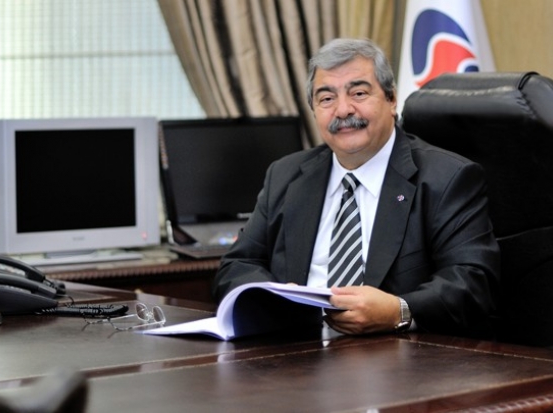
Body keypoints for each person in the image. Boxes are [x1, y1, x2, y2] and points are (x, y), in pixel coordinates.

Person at [212, 38, 499, 338]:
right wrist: (275, 297)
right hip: (296, 352)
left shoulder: (447, 178)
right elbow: (236, 266)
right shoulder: (285, 176)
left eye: (358, 93)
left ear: (391, 100)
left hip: (400, 355)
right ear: (314, 110)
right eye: (326, 99)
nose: (342, 110)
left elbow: (473, 283)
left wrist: (399, 310)